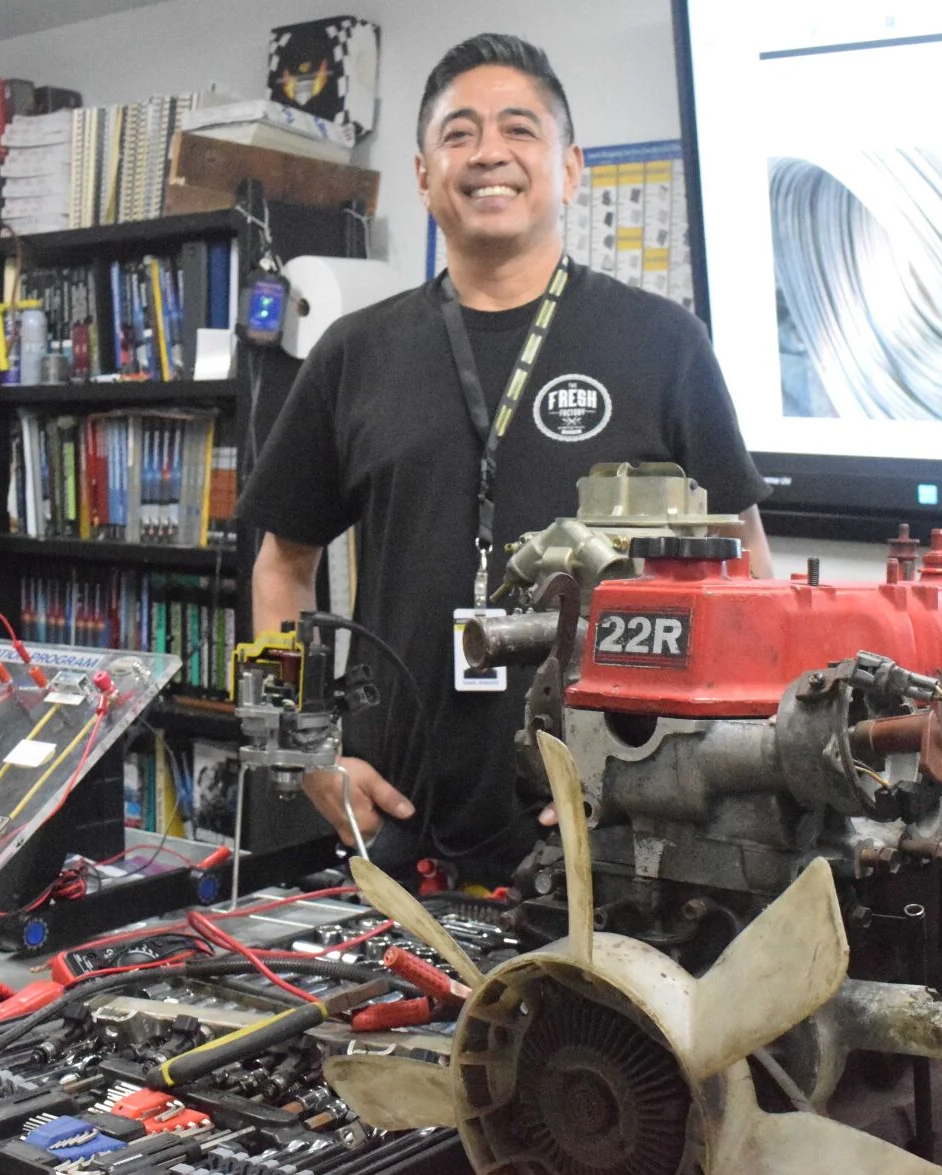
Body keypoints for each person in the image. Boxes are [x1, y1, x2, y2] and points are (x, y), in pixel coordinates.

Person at [236, 33, 771, 884]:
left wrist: (688, 773)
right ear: (423, 176)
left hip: (617, 831)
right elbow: (281, 565)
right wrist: (297, 749)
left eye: (519, 129)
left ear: (569, 168)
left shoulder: (661, 343)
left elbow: (745, 577)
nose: (489, 152)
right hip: (398, 829)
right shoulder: (354, 353)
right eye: (459, 134)